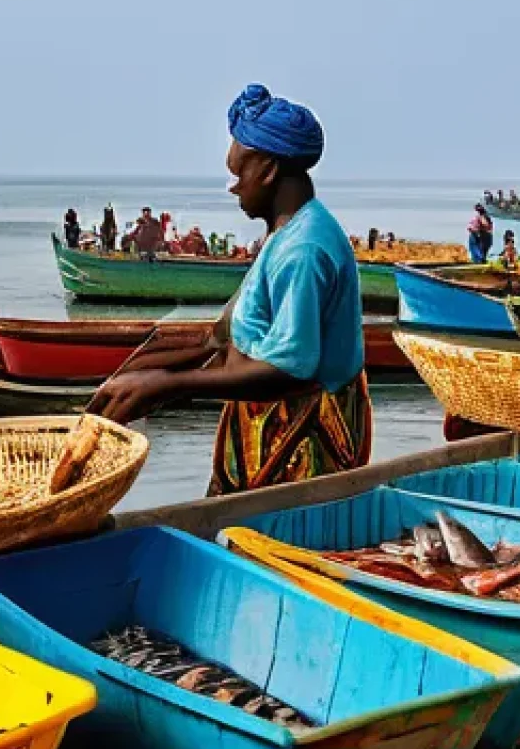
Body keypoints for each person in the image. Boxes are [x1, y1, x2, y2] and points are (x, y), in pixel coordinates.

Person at [88, 83, 372, 495]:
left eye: (239, 172)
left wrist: (169, 387)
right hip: (258, 433)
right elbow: (224, 334)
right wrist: (141, 371)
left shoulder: (304, 250)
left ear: (268, 170)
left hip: (298, 446)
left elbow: (290, 368)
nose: (233, 186)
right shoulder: (283, 235)